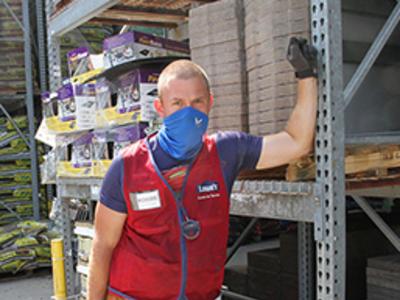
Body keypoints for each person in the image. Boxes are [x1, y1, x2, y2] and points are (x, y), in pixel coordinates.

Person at [88, 37, 318, 300]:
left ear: (210, 103)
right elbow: (102, 245)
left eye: (197, 102)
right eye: (177, 103)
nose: (189, 112)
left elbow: (296, 143)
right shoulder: (127, 166)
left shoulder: (225, 153)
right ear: (160, 107)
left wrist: (305, 75)